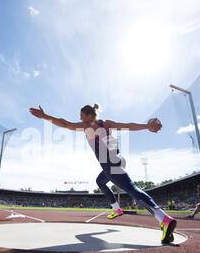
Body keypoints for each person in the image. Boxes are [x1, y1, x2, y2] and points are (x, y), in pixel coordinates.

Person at [29, 104, 177, 243]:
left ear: (88, 115)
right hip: (117, 159)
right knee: (100, 181)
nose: (80, 119)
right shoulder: (105, 123)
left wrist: (44, 116)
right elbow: (128, 126)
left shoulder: (87, 126)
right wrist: (146, 126)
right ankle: (116, 208)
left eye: (81, 116)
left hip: (110, 164)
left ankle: (163, 219)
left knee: (132, 189)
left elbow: (64, 123)